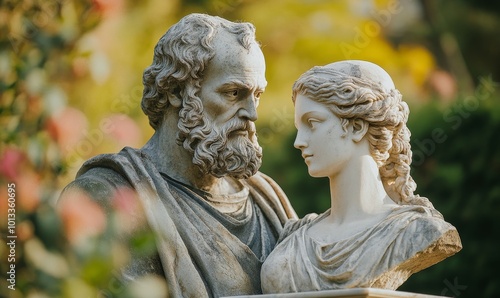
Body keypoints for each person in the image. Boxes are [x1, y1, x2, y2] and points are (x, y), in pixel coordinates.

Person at [59, 13, 297, 298]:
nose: (252, 113)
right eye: (234, 93)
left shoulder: (267, 199)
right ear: (176, 92)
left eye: (256, 95)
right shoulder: (107, 197)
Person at [261, 60, 462, 293]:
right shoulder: (295, 240)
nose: (299, 141)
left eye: (312, 123)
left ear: (357, 127)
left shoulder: (415, 230)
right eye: (298, 127)